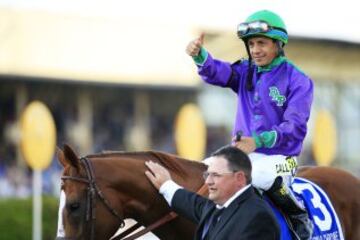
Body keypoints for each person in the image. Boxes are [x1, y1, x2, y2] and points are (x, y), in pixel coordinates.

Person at [186, 9, 313, 240]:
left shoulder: (298, 80)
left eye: (262, 43)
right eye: (252, 43)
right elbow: (220, 72)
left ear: (278, 44)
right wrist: (200, 56)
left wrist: (258, 141)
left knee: (260, 176)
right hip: (242, 154)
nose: (255, 50)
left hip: (280, 159)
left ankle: (296, 213)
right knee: (206, 173)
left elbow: (295, 127)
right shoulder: (246, 70)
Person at [145, 146, 280, 240]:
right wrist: (166, 185)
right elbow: (192, 203)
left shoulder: (258, 217)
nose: (208, 181)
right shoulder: (215, 206)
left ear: (239, 178)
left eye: (215, 175)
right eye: (207, 175)